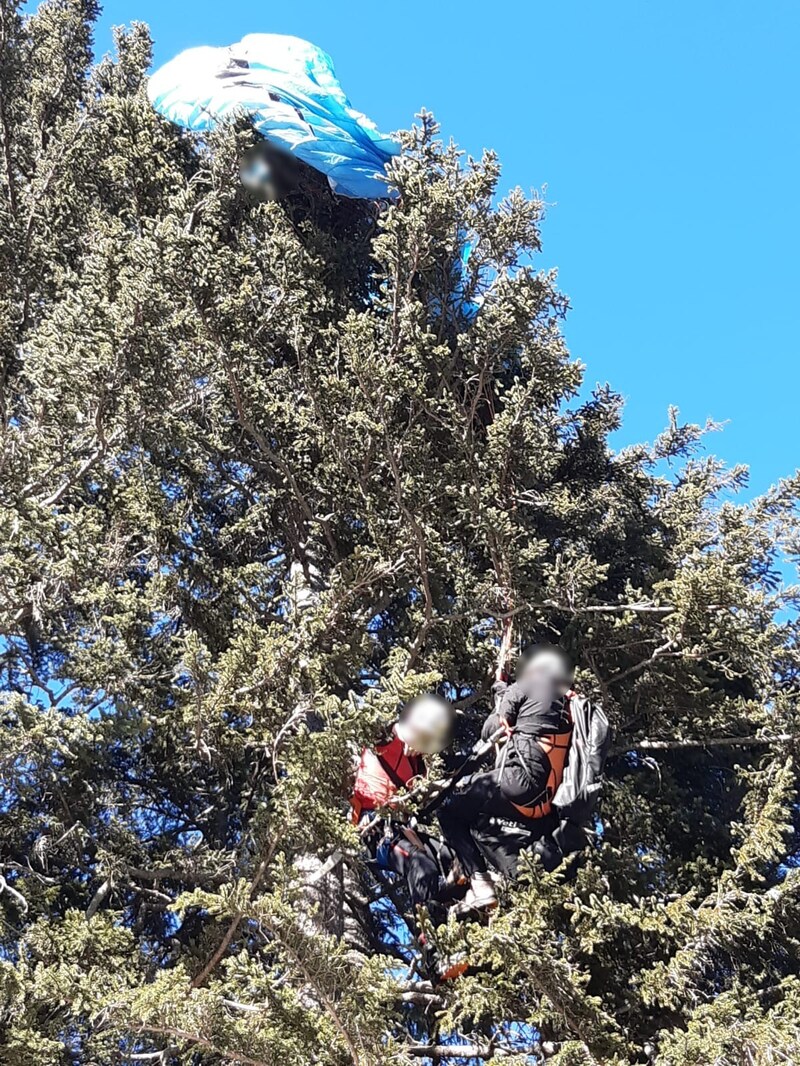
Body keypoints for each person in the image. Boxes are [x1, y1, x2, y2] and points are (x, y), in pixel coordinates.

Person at [437, 644, 575, 913]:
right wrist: (502, 692)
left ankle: (480, 884)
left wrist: (502, 690)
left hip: (519, 783)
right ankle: (506, 884)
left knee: (449, 811)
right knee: (481, 823)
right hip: (545, 804)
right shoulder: (569, 704)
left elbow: (492, 728)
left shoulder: (531, 681)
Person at [351, 694, 457, 920]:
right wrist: (403, 731)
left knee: (454, 859)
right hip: (374, 830)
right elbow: (368, 718)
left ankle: (460, 915)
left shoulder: (417, 766)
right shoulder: (386, 741)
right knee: (421, 866)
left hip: (402, 830)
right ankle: (429, 939)